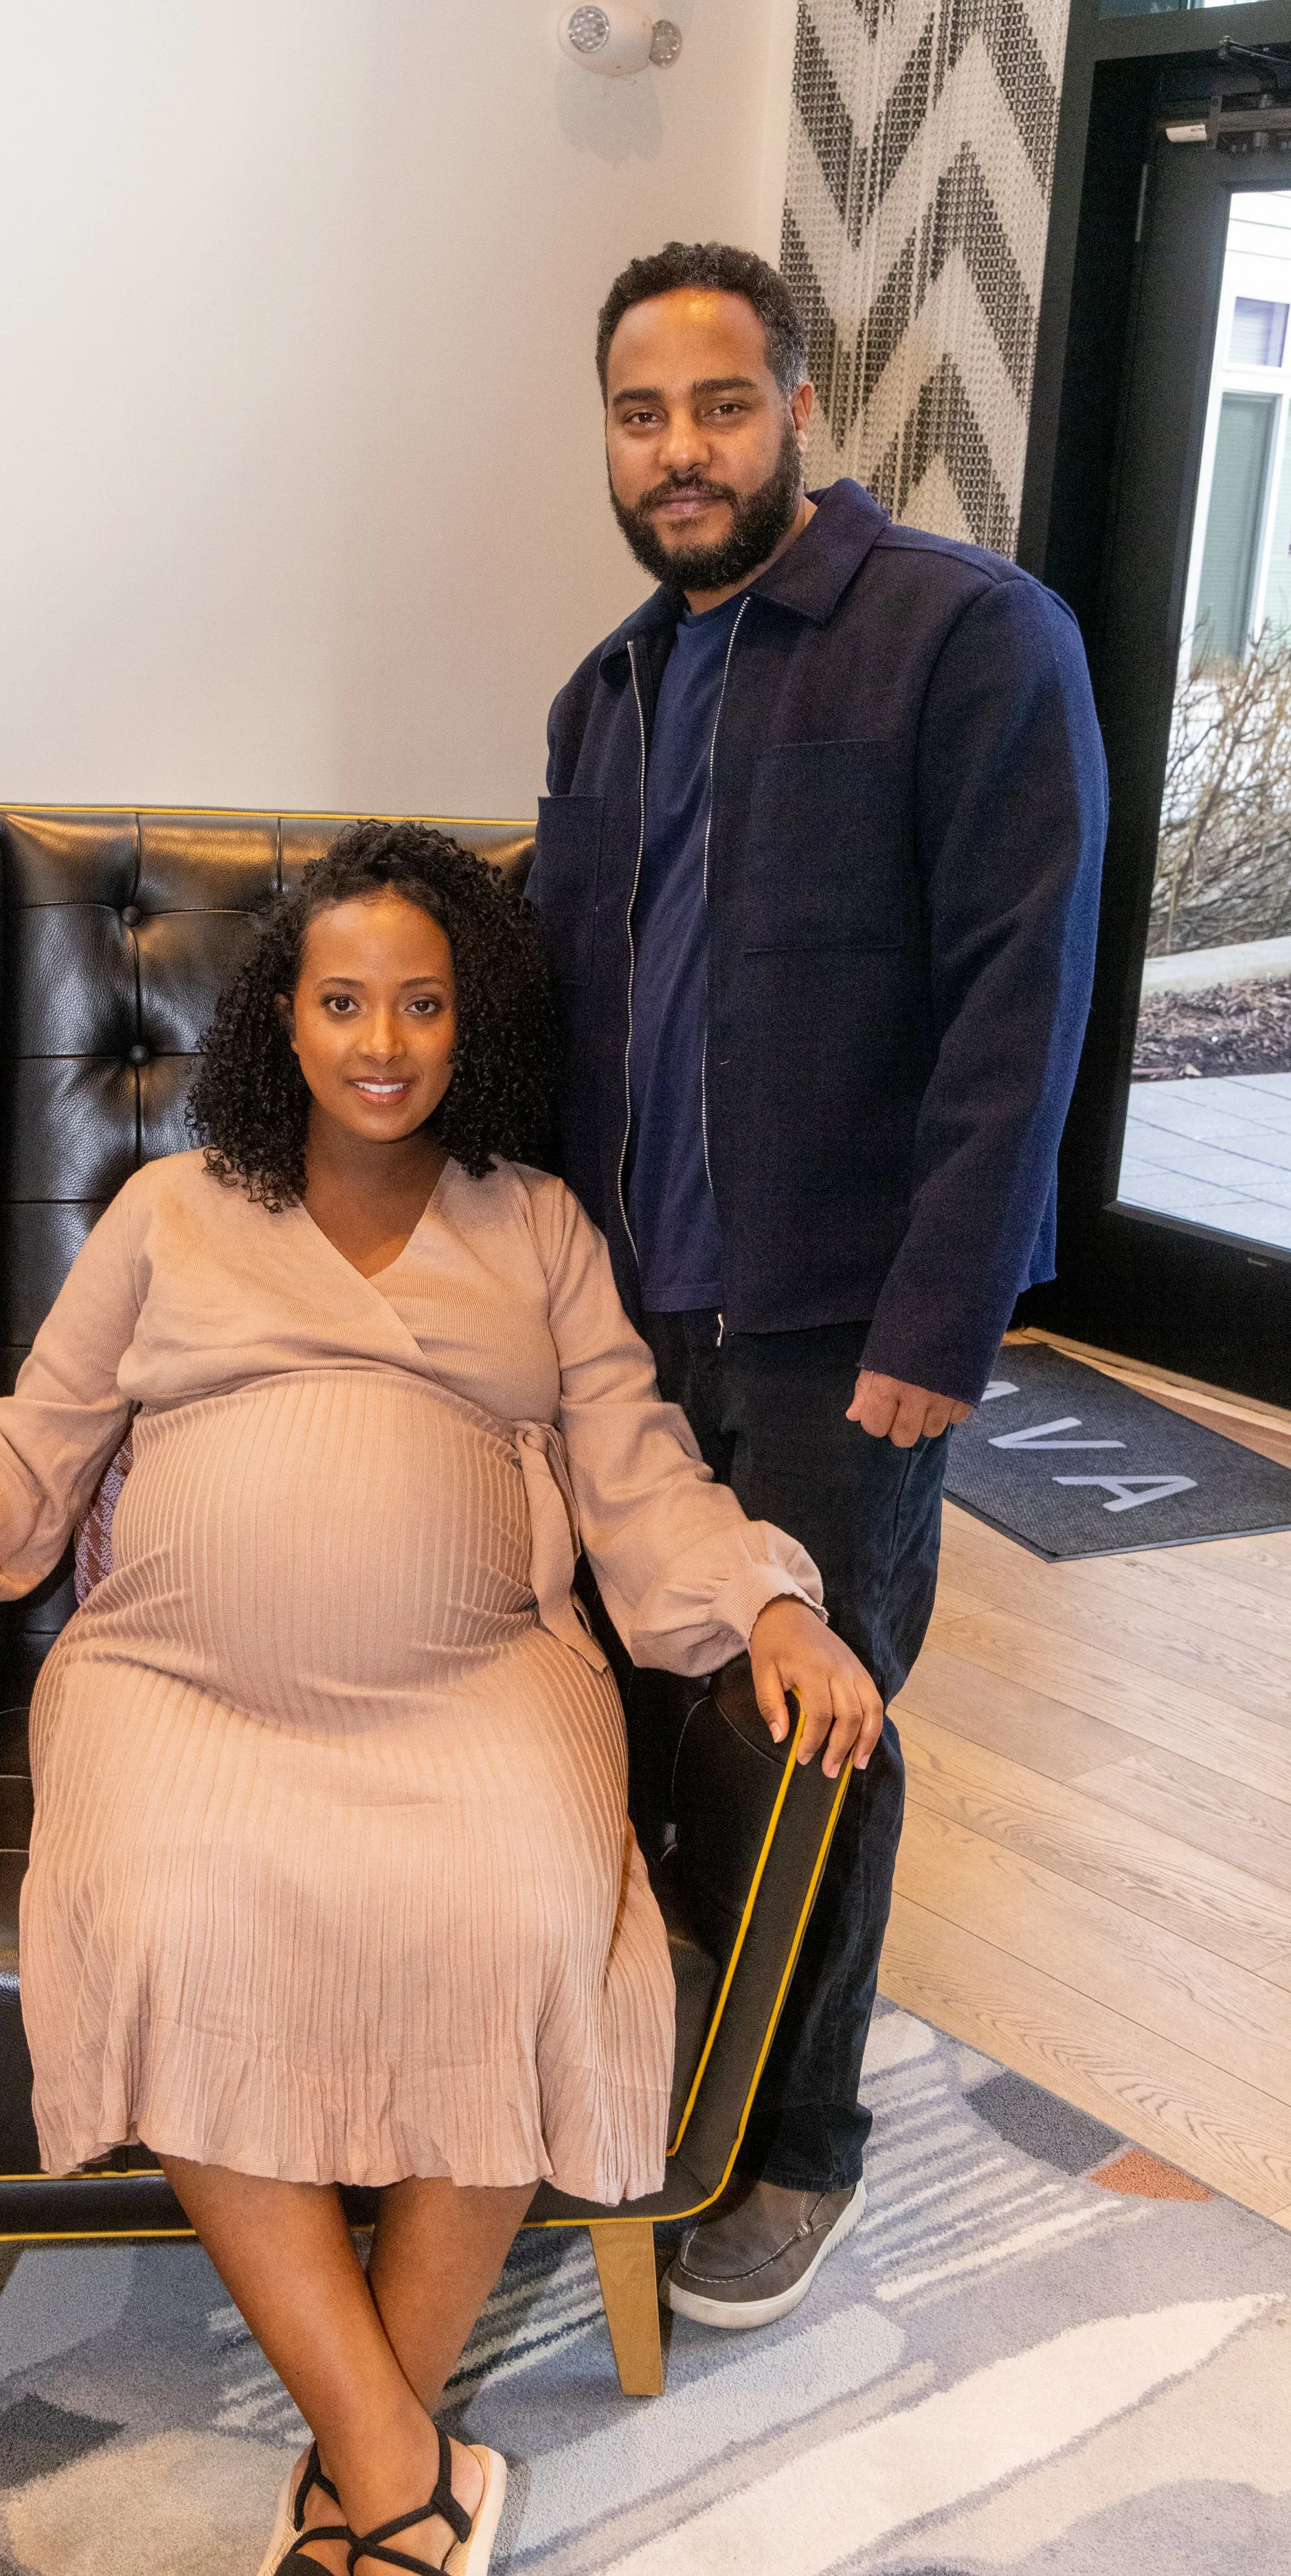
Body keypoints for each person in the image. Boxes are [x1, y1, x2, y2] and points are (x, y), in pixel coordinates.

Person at [0, 823, 881, 2576]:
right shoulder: (168, 1211)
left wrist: (765, 1606)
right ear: (279, 1017)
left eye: (419, 1004)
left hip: (477, 1684)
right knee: (163, 1909)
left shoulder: (540, 1227)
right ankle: (394, 2471)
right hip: (180, 1680)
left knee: (526, 1918)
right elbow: (27, 1454)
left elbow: (640, 1474)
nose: (379, 1041)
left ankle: (370, 2477)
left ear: (469, 1021)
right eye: (341, 999)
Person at [535, 242, 1107, 2332]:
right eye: (636, 413)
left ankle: (800, 2144)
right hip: (629, 1320)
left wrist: (939, 1320)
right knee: (642, 1701)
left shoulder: (965, 639)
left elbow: (1014, 1005)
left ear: (799, 410)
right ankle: (662, 2063)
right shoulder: (603, 689)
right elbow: (573, 1023)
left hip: (830, 1325)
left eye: (716, 405)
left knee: (815, 1721)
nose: (677, 451)